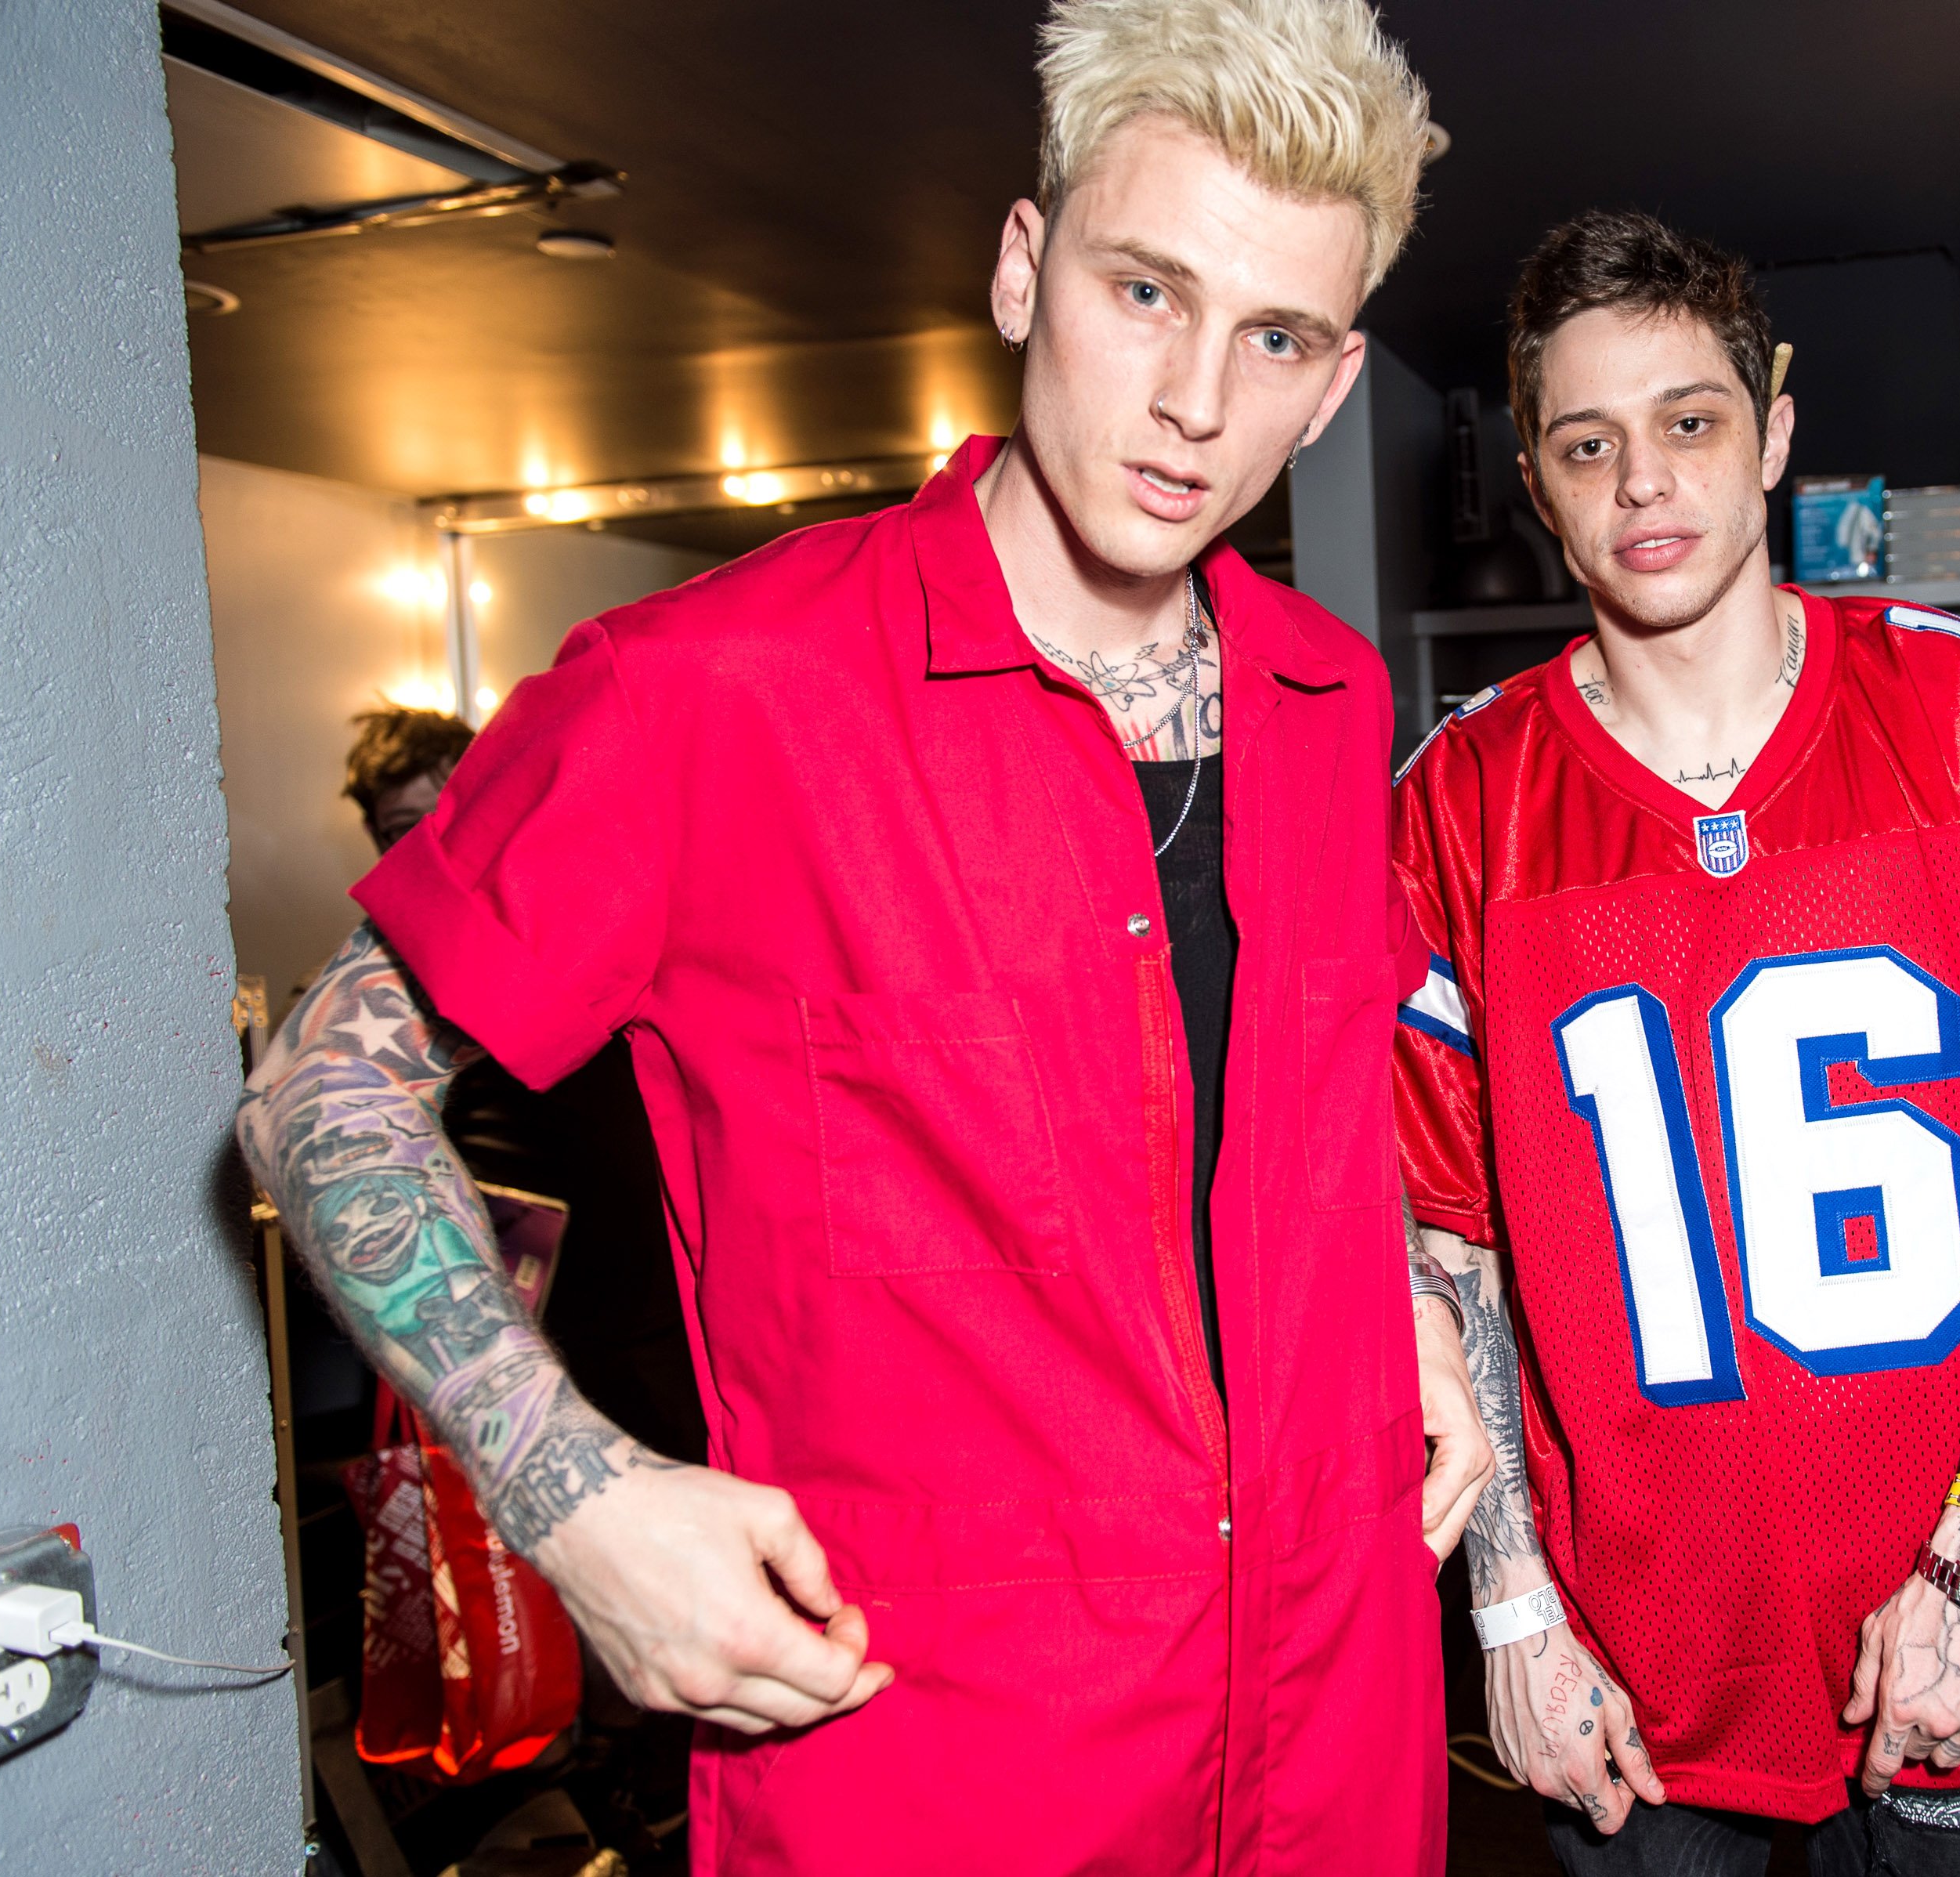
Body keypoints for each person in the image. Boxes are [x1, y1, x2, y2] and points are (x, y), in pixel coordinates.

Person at [240, 3, 1488, 1868]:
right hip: (944, 1774)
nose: (1196, 401)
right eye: (1144, 290)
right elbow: (318, 1089)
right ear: (1020, 266)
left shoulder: (1325, 695)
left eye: (1275, 336)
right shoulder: (710, 694)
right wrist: (571, 1498)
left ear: (1333, 382)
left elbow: (1301, 1103)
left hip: (1334, 1741)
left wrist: (1404, 1307)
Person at [1394, 211, 1960, 1877]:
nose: (1643, 484)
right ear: (1535, 477)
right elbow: (1446, 1241)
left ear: (1775, 435)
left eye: (1690, 423)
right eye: (1587, 445)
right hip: (1635, 1671)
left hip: (1959, 1631)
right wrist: (1511, 1604)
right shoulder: (1458, 805)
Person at [342, 707, 709, 1469]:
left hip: (636, 1283)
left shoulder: (577, 893)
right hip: (513, 1282)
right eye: (390, 834)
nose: (415, 851)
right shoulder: (400, 955)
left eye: (429, 820)